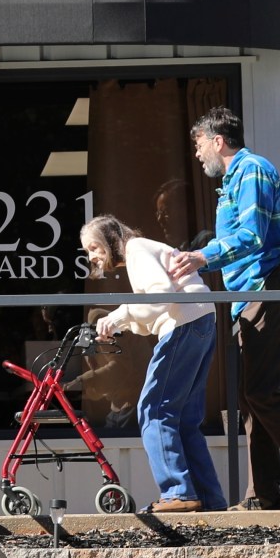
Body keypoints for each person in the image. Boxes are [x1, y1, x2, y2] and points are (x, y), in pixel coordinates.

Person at [164, 107, 280, 510]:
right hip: (251, 293)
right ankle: (263, 497)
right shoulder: (234, 181)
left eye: (198, 145)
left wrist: (202, 257)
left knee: (262, 392)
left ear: (218, 141)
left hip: (270, 284)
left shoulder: (252, 170)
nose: (197, 154)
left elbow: (251, 235)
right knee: (252, 399)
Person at [83, 215, 225, 514]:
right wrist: (120, 318)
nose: (93, 256)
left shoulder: (137, 250)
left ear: (110, 239)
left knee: (154, 411)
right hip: (200, 320)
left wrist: (120, 316)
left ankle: (178, 491)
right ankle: (208, 498)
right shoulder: (145, 249)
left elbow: (160, 296)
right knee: (185, 418)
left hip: (183, 324)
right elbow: (154, 307)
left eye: (94, 247)